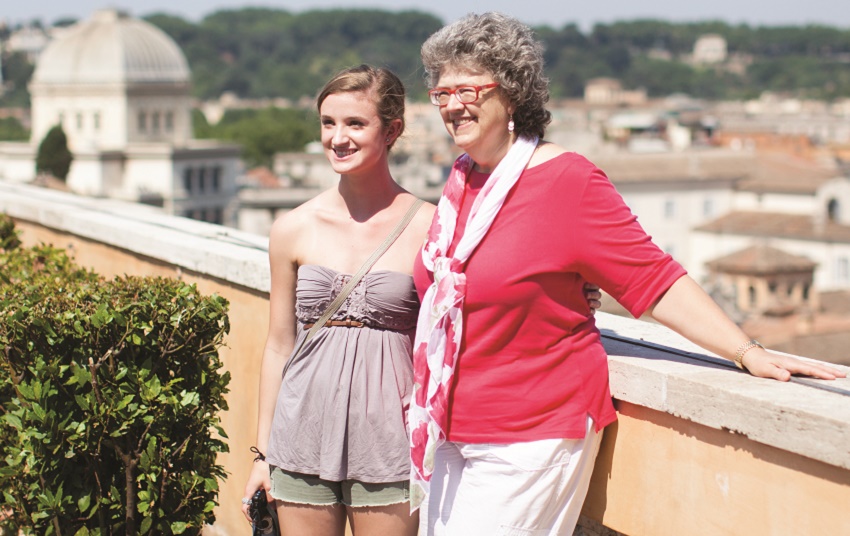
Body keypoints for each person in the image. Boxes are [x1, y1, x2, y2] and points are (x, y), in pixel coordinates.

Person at [408, 12, 846, 536]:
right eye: (442, 93)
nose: (454, 105)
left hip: (529, 431)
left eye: (470, 90)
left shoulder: (568, 182)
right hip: (450, 428)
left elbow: (652, 279)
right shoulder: (461, 185)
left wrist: (747, 351)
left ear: (513, 93)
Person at [240, 64, 434, 536]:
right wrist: (263, 455)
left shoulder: (431, 226)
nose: (337, 138)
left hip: (390, 440)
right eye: (328, 123)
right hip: (300, 435)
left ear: (392, 131)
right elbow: (278, 345)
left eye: (354, 123)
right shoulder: (293, 227)